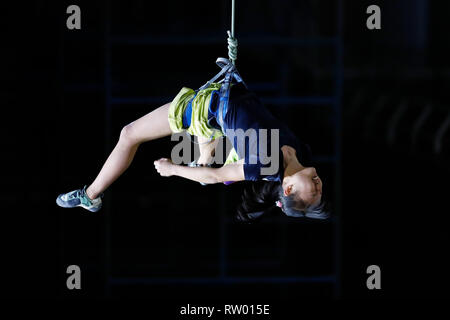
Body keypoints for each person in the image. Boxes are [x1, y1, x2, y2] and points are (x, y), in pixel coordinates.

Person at [56, 81, 329, 220]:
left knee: (129, 134)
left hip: (204, 113)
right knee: (207, 161)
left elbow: (215, 177)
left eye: (313, 191)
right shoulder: (302, 153)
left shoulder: (268, 166)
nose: (319, 186)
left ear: (289, 188)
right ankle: (203, 156)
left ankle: (90, 195)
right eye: (320, 190)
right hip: (222, 103)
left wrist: (172, 169)